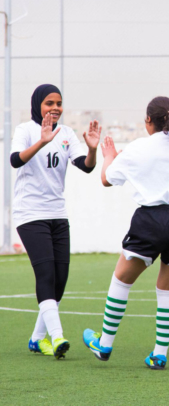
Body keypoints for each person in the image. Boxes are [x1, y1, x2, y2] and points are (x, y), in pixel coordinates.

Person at [82, 97, 169, 370]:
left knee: (121, 280)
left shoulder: (138, 148)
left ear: (148, 120)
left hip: (152, 219)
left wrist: (109, 156)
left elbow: (106, 179)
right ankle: (159, 354)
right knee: (167, 290)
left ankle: (105, 344)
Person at [10, 84, 101, 359]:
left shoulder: (67, 133)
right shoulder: (25, 130)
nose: (55, 108)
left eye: (59, 103)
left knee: (60, 281)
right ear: (38, 104)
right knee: (46, 275)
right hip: (30, 214)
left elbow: (85, 166)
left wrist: (93, 150)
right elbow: (15, 160)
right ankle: (57, 336)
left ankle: (37, 339)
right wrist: (42, 141)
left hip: (57, 214)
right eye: (49, 102)